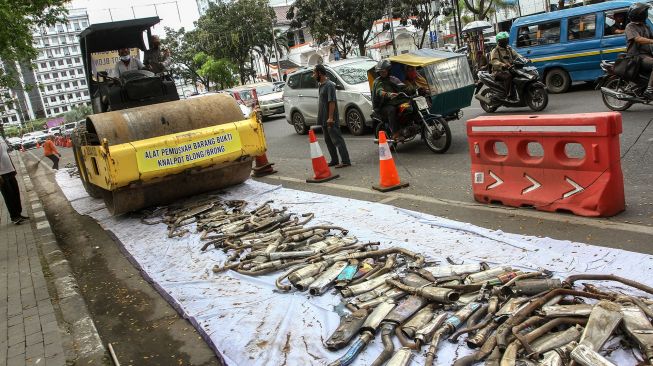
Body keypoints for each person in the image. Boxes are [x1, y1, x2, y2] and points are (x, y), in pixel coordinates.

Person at [314, 64, 351, 168]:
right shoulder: (321, 85)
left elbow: (332, 102)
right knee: (328, 140)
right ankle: (334, 160)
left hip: (330, 118)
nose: (313, 75)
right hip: (323, 118)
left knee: (337, 140)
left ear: (319, 73)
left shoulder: (329, 85)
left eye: (314, 73)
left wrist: (330, 117)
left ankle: (345, 161)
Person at [372, 59, 407, 140]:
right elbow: (379, 92)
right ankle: (395, 133)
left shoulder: (393, 79)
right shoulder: (378, 82)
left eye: (384, 71)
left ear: (388, 71)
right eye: (380, 72)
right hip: (382, 106)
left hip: (394, 102)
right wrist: (388, 94)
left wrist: (417, 89)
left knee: (408, 104)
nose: (382, 73)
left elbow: (403, 87)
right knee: (391, 110)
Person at [625, 2, 653, 98]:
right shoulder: (630, 27)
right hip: (637, 56)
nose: (645, 14)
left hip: (647, 55)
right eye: (644, 12)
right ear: (639, 14)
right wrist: (651, 41)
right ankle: (649, 90)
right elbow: (638, 39)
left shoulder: (646, 26)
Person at [0, 138, 29, 224]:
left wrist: (13, 168)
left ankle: (18, 214)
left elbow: (6, 153)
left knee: (15, 193)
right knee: (8, 196)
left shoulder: (1, 138)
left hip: (9, 170)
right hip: (2, 173)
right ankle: (14, 217)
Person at [490, 31, 524, 101]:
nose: (506, 42)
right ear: (499, 42)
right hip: (498, 72)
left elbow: (516, 55)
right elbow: (494, 61)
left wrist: (524, 59)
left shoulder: (509, 48)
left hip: (510, 69)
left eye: (506, 40)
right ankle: (507, 94)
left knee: (520, 74)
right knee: (508, 76)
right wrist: (503, 65)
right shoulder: (495, 50)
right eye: (504, 40)